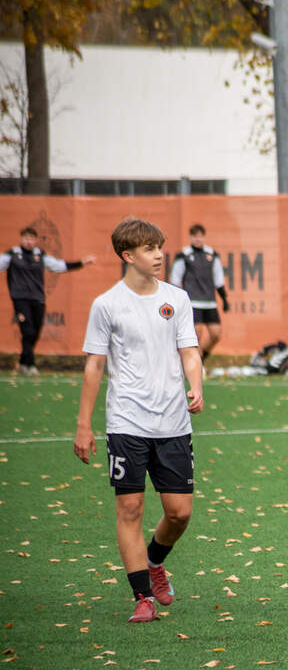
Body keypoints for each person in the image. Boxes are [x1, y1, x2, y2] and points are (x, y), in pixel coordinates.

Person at [73, 217, 203, 624]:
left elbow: (190, 351)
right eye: (150, 249)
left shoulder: (177, 299)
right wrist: (83, 424)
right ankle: (142, 596)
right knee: (129, 508)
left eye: (160, 247)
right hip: (126, 421)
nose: (159, 255)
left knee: (179, 512)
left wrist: (196, 384)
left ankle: (154, 561)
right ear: (128, 256)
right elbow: (94, 366)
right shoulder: (107, 304)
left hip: (173, 422)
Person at [2, 225, 95, 375]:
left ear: (35, 240)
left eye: (31, 238)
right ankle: (30, 364)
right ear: (21, 239)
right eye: (26, 238)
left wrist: (81, 263)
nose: (28, 241)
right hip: (20, 299)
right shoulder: (12, 254)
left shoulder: (40, 255)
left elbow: (59, 266)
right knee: (28, 331)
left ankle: (23, 362)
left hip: (38, 299)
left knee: (35, 332)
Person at [170, 223, 228, 361]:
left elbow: (219, 279)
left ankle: (201, 360)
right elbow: (175, 280)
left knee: (216, 334)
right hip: (193, 301)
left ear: (204, 237)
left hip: (209, 301)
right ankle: (194, 363)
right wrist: (175, 300)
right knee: (196, 334)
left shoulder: (212, 254)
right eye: (195, 236)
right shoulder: (184, 255)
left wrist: (224, 299)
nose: (198, 239)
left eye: (200, 236)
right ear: (190, 237)